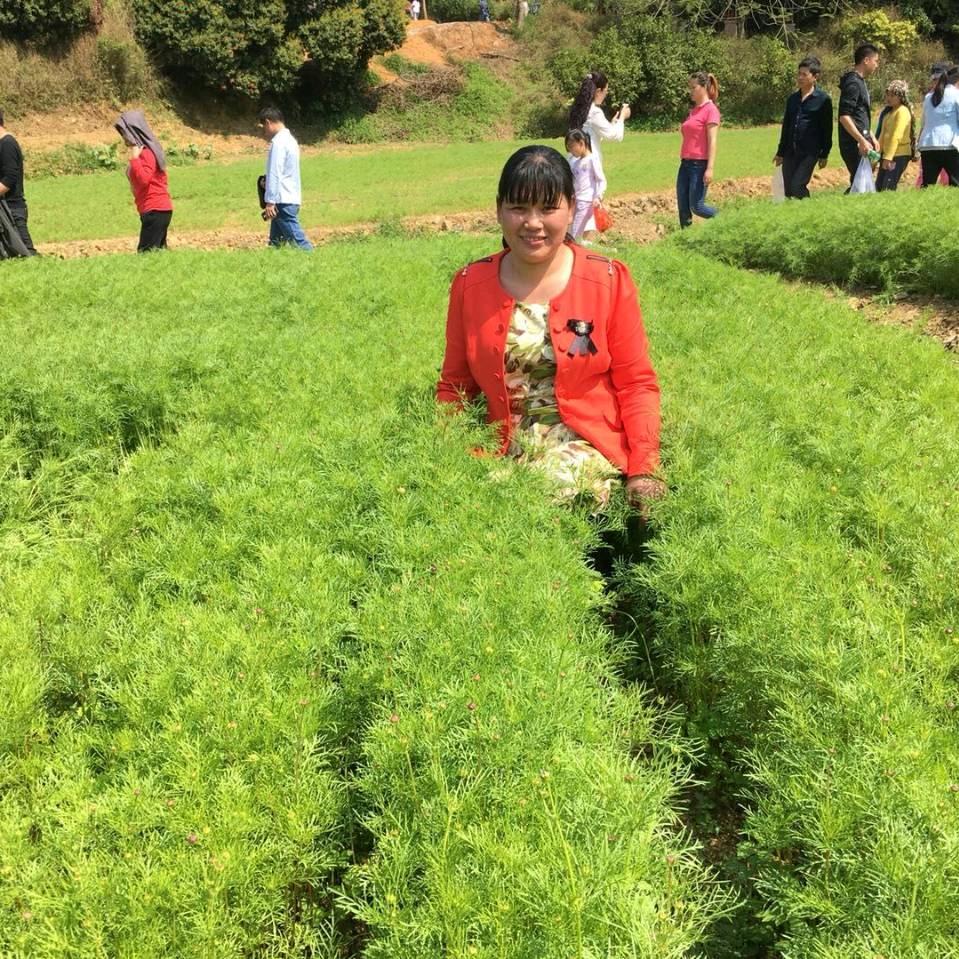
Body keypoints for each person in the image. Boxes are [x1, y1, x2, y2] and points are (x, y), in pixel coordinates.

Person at [437, 145, 663, 509]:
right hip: (501, 447)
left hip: (583, 446)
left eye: (547, 208)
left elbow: (636, 383)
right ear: (498, 210)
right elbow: (454, 386)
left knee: (541, 498)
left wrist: (645, 467)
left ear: (572, 208)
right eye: (519, 208)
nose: (533, 223)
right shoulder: (470, 284)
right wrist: (441, 459)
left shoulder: (607, 279)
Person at [773, 56, 832, 199]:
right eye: (799, 74)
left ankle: (808, 211)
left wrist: (824, 154)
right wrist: (780, 152)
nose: (800, 78)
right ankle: (794, 216)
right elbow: (786, 126)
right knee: (788, 190)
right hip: (790, 151)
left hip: (809, 152)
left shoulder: (823, 100)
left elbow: (827, 129)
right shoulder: (792, 99)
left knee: (797, 186)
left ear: (815, 76)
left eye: (804, 75)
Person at [115, 111, 173, 253]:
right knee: (157, 254)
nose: (123, 137)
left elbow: (144, 180)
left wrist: (135, 159)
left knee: (146, 255)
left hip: (155, 210)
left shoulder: (146, 153)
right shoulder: (148, 152)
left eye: (125, 132)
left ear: (134, 132)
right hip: (155, 210)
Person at [257, 107, 313, 250]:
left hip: (282, 201)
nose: (264, 132)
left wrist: (270, 201)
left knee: (299, 244)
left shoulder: (278, 142)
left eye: (263, 127)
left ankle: (316, 262)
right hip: (289, 197)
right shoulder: (290, 140)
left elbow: (275, 171)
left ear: (268, 122)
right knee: (276, 244)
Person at [677, 71, 720, 228]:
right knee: (683, 207)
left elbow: (712, 140)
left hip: (699, 165)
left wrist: (710, 168)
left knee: (697, 207)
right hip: (685, 164)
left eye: (693, 87)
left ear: (703, 87)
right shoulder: (693, 111)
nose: (690, 91)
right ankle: (685, 241)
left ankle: (724, 219)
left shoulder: (711, 110)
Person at [838, 43, 881, 189]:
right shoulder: (853, 83)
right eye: (876, 61)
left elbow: (859, 115)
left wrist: (870, 135)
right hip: (852, 142)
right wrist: (861, 140)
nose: (877, 65)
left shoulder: (860, 82)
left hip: (862, 139)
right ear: (866, 60)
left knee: (861, 181)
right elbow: (844, 116)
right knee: (860, 182)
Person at [568, 71, 630, 171]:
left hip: (574, 162)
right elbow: (614, 136)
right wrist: (622, 116)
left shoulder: (577, 109)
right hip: (588, 165)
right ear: (598, 91)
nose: (605, 94)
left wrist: (612, 123)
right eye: (605, 91)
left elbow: (593, 133)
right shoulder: (594, 112)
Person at [0, 108, 37, 256]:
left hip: (12, 208)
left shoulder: (7, 144)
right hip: (4, 207)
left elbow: (9, 178)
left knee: (26, 253)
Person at [917, 65, 959, 187]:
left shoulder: (928, 97)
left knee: (927, 185)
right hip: (949, 145)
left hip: (928, 144)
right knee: (956, 186)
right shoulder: (956, 95)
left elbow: (924, 123)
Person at [565, 129, 606, 242]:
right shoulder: (576, 162)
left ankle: (575, 252)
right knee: (572, 230)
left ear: (581, 143)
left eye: (572, 146)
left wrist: (598, 196)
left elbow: (601, 180)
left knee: (575, 232)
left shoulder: (592, 159)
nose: (570, 150)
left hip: (586, 201)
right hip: (576, 200)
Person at [875, 80, 914, 192]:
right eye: (888, 95)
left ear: (901, 97)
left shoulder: (902, 111)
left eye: (892, 95)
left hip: (898, 155)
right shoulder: (888, 113)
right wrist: (877, 156)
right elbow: (882, 136)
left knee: (888, 186)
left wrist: (888, 158)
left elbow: (896, 136)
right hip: (888, 155)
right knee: (879, 185)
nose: (889, 98)